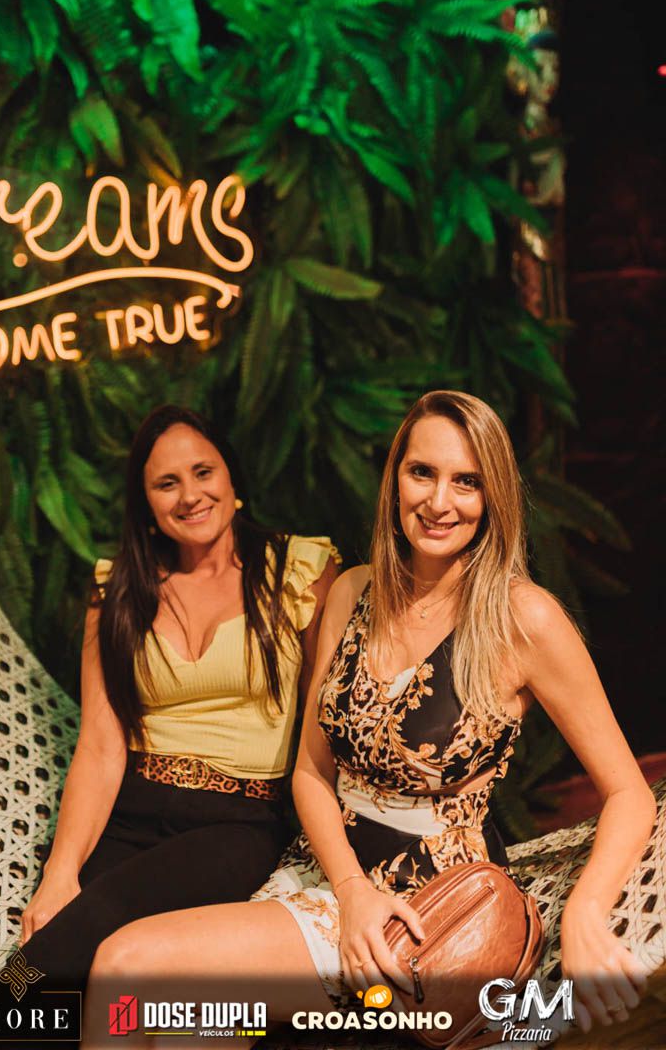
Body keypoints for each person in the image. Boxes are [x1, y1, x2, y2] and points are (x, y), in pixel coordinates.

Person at [80, 390, 656, 1046]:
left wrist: (585, 911)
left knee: (126, 968)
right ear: (394, 480)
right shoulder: (353, 591)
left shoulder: (524, 619)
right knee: (180, 1031)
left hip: (425, 905)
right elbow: (309, 771)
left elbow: (628, 792)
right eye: (422, 473)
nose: (439, 501)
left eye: (466, 482)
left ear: (493, 495)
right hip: (324, 876)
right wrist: (350, 890)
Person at [17, 404, 339, 988]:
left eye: (203, 472)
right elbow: (100, 747)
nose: (190, 495)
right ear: (146, 503)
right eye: (167, 483)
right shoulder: (118, 593)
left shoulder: (297, 572)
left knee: (84, 933)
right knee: (72, 938)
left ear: (231, 477)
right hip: (132, 811)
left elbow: (327, 721)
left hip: (237, 821)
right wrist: (60, 872)